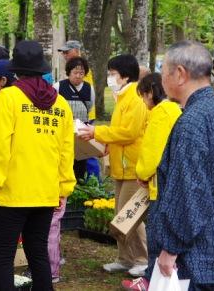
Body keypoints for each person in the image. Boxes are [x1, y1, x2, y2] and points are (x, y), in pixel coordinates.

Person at [125, 41, 214, 291]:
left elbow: (190, 194)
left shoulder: (191, 123)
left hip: (191, 255)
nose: (162, 80)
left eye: (165, 71)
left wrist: (170, 248)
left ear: (179, 74)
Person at [0, 40, 76, 291]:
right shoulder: (61, 104)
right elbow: (66, 152)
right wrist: (63, 188)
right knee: (38, 254)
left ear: (15, 70)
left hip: (13, 194)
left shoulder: (8, 97)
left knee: (2, 256)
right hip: (45, 193)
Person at [78, 54, 148, 277]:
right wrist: (107, 142)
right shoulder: (122, 97)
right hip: (121, 166)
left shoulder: (135, 99)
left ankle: (142, 259)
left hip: (133, 167)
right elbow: (119, 132)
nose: (110, 78)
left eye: (113, 74)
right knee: (120, 216)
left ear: (125, 76)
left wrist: (97, 132)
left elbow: (129, 132)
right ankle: (125, 258)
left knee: (130, 217)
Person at [121, 72, 182, 289]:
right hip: (174, 179)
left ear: (150, 92)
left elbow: (152, 150)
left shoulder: (160, 112)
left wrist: (142, 174)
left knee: (157, 234)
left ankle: (149, 280)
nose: (143, 101)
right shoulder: (176, 109)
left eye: (143, 95)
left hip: (161, 182)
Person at [53, 57, 95, 179]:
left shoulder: (89, 88)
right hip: (63, 132)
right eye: (75, 73)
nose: (78, 76)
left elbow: (90, 105)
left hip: (81, 133)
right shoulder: (58, 87)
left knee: (80, 163)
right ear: (68, 72)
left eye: (81, 73)